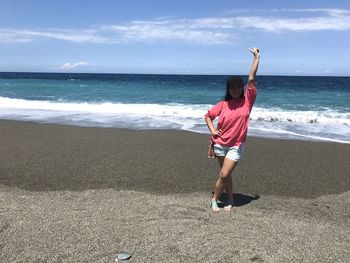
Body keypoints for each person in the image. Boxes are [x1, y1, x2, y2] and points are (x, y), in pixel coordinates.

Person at [204, 47, 260, 212]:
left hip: (236, 144)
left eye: (238, 88)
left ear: (242, 88)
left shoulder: (247, 102)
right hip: (220, 144)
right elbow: (207, 116)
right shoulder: (223, 104)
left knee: (224, 174)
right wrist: (213, 131)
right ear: (228, 89)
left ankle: (214, 199)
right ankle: (230, 198)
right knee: (226, 174)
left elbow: (251, 79)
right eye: (232, 88)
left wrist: (256, 58)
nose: (235, 90)